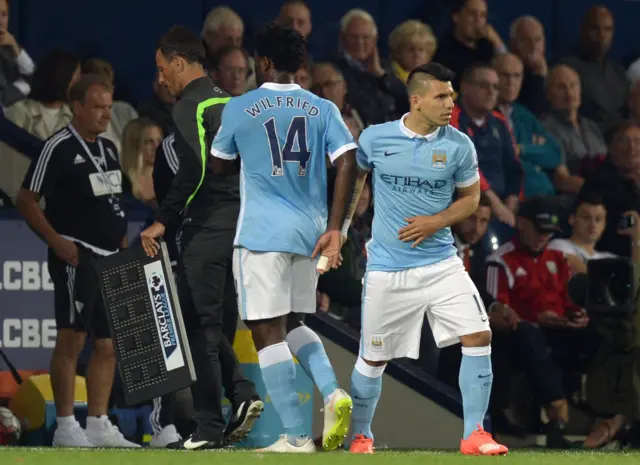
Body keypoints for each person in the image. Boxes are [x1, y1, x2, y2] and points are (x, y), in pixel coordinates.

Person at [210, 23, 358, 453]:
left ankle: (295, 435)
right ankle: (332, 392)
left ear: (265, 62)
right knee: (294, 322)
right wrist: (336, 229)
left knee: (264, 331)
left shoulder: (240, 107)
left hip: (260, 233)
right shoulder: (323, 109)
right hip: (310, 234)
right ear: (301, 65)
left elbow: (218, 166)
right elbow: (348, 161)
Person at [348, 62, 507, 456]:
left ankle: (474, 433)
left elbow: (471, 198)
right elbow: (354, 180)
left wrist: (436, 221)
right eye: (441, 96)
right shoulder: (375, 138)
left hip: (441, 263)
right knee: (373, 356)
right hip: (388, 268)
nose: (450, 102)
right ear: (416, 100)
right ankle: (360, 436)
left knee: (479, 334)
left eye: (451, 95)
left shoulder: (459, 144)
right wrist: (340, 229)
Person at [139, 25, 262, 451]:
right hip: (242, 228)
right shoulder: (234, 103)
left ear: (178, 63)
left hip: (207, 226)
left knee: (201, 329)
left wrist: (163, 220)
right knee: (211, 324)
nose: (161, 80)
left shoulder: (188, 105)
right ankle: (239, 397)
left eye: (162, 69)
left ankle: (209, 429)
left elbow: (194, 170)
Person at [15, 75, 138, 448]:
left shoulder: (109, 149)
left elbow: (112, 201)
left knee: (108, 344)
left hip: (109, 258)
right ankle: (66, 425)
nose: (105, 115)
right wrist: (55, 241)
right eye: (98, 108)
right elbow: (26, 199)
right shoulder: (57, 147)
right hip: (76, 255)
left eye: (108, 108)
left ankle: (99, 422)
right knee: (72, 339)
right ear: (78, 107)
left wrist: (121, 243)